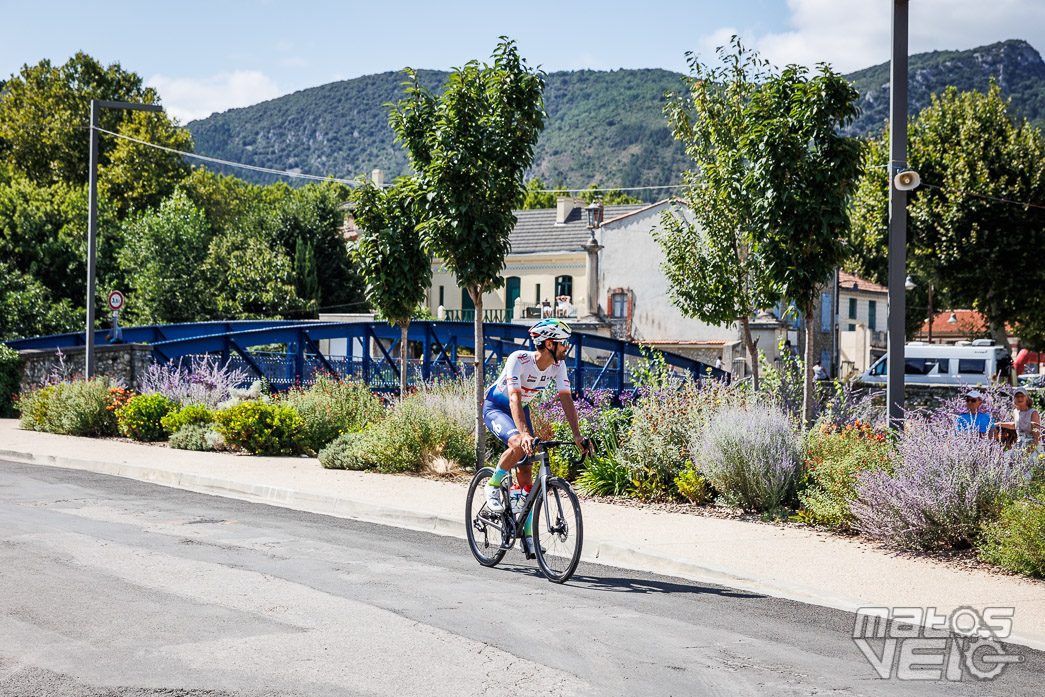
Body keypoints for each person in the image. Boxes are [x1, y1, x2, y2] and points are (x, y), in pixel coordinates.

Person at [483, 318, 589, 557]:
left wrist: (577, 436)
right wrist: (524, 434)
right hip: (497, 408)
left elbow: (566, 400)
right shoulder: (519, 360)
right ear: (550, 343)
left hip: (521, 410)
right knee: (519, 443)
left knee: (527, 478)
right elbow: (514, 400)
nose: (567, 347)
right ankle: (492, 485)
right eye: (563, 343)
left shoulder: (557, 366)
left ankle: (527, 536)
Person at [997, 386, 1040, 453]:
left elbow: (1037, 436)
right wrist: (998, 424)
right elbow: (1016, 425)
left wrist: (1028, 452)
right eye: (1017, 397)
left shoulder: (1033, 413)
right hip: (1019, 444)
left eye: (1022, 396)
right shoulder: (1015, 411)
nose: (1019, 398)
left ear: (1027, 398)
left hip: (1032, 445)